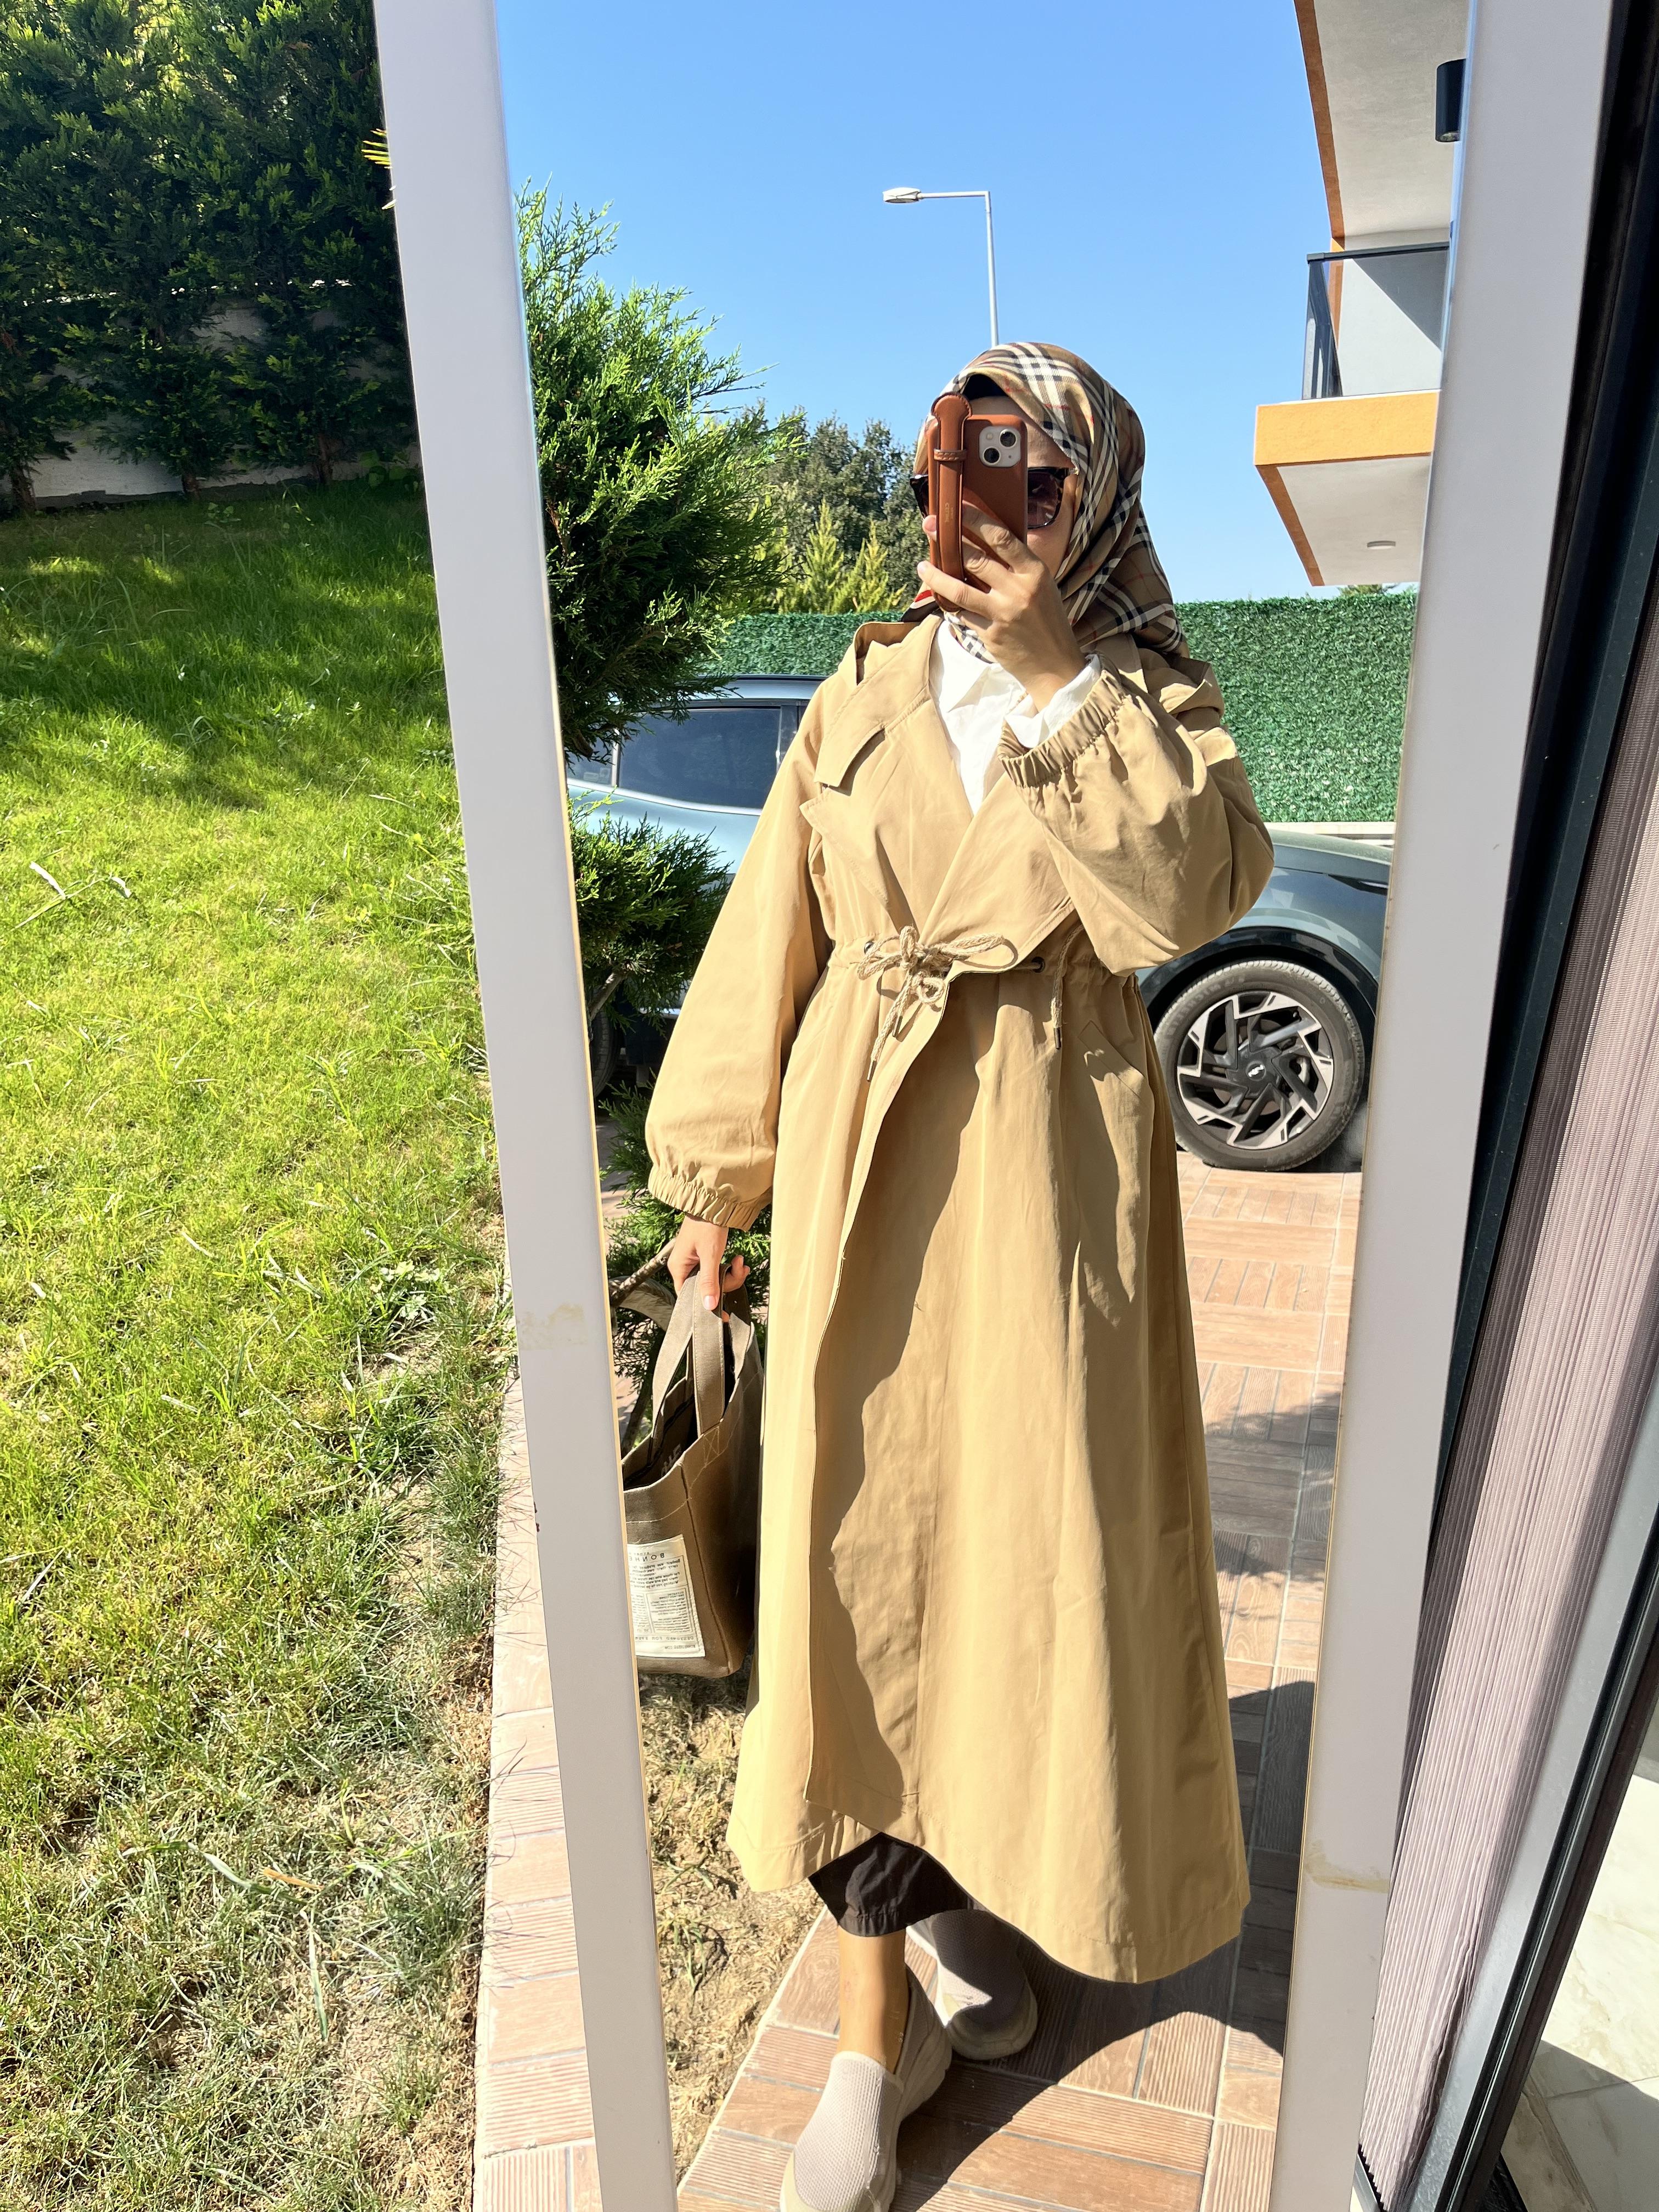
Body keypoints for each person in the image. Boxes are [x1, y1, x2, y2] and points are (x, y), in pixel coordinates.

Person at [645, 341, 1275, 2212]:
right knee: (860, 1573)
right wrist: (718, 1173)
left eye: (1030, 465)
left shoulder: (1146, 693)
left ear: (1091, 495)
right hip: (863, 1161)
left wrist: (1061, 668)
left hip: (1045, 1185)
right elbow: (776, 920)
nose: (986, 491)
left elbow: (1187, 896)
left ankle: (968, 1895)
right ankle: (869, 2036)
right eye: (960, 451)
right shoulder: (863, 681)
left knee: (1018, 1564)